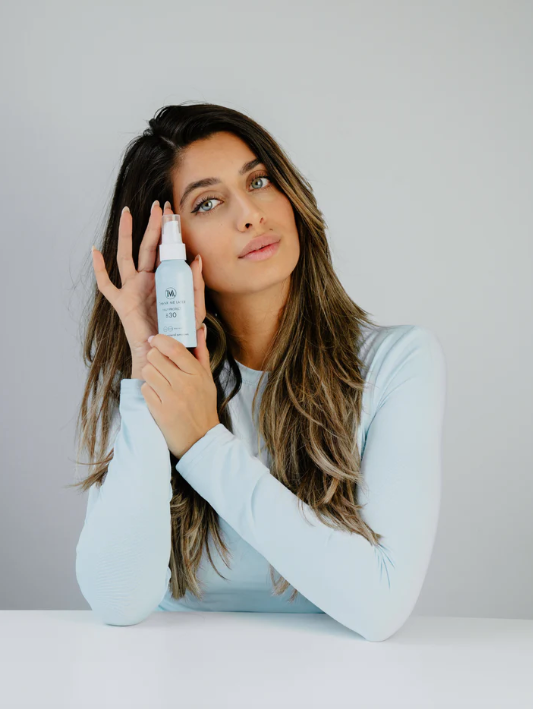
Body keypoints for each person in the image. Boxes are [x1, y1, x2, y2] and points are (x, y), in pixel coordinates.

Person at [70, 102, 447, 641]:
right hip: (178, 672)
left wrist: (201, 443)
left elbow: (381, 605)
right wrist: (150, 362)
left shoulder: (398, 362)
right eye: (207, 202)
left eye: (259, 181)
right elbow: (117, 601)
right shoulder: (155, 376)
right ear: (170, 248)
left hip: (340, 676)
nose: (250, 214)